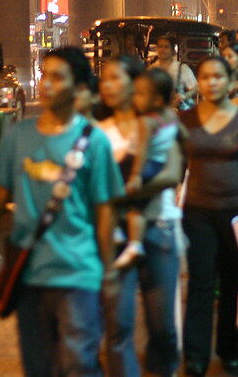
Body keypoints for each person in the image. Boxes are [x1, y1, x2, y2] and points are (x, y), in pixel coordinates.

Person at [0, 47, 122, 377]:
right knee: (38, 366)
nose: (46, 84)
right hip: (30, 273)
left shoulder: (95, 142)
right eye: (45, 74)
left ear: (78, 88)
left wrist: (109, 272)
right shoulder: (19, 135)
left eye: (57, 77)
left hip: (79, 273)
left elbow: (105, 213)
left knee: (79, 363)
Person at [180, 56, 238, 376]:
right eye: (205, 77)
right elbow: (175, 170)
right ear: (198, 82)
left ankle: (230, 348)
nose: (211, 83)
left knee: (234, 282)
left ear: (231, 80)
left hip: (236, 213)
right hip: (197, 213)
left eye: (218, 77)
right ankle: (195, 355)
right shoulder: (186, 120)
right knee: (201, 283)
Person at [97, 55, 185, 377]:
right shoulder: (97, 131)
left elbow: (173, 172)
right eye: (103, 78)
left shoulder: (158, 121)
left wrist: (123, 192)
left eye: (115, 78)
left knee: (162, 326)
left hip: (159, 227)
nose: (106, 85)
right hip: (114, 235)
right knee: (117, 325)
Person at [116, 68, 180, 269]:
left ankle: (131, 242)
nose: (135, 98)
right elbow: (183, 134)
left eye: (140, 94)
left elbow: (141, 151)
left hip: (145, 165)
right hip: (158, 164)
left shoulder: (145, 121)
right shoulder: (170, 116)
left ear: (158, 100)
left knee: (134, 205)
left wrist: (135, 175)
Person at [150, 35, 198, 110]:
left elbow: (196, 88)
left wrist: (184, 96)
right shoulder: (152, 69)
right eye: (160, 46)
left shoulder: (181, 68)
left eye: (166, 47)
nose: (162, 50)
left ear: (172, 50)